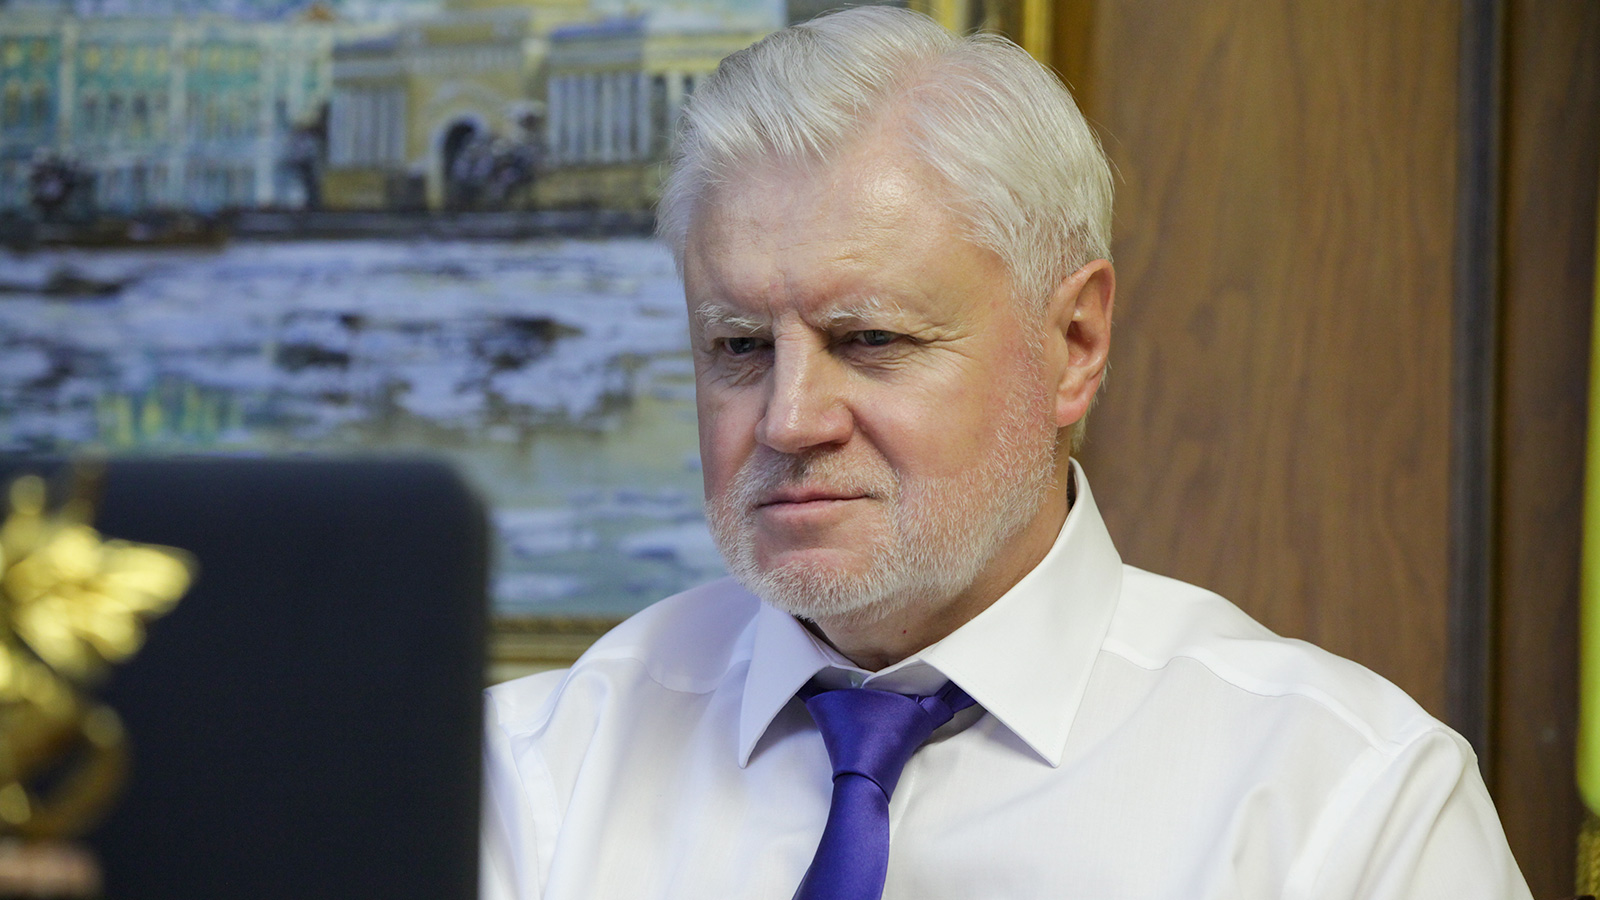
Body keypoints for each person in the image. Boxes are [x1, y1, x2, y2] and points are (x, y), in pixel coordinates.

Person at [480, 7, 1533, 898]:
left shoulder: (1345, 807)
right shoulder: (534, 777)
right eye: (739, 347)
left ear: (1073, 343)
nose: (788, 420)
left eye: (870, 339)